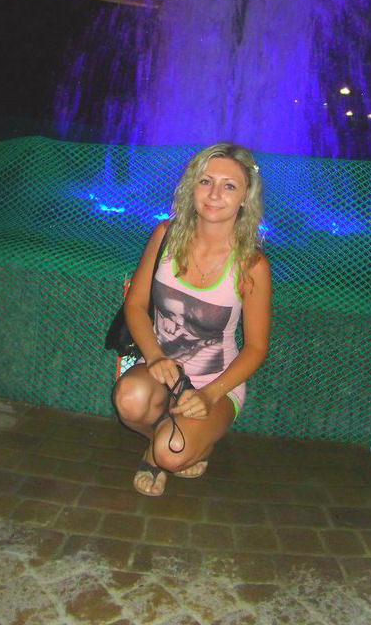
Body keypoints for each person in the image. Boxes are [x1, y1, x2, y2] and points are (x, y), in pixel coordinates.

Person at [112, 143, 272, 496]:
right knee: (129, 399)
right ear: (191, 187)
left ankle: (167, 449)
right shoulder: (165, 236)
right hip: (160, 366)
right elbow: (135, 305)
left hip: (217, 380)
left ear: (245, 198)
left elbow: (257, 348)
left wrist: (210, 396)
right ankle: (167, 437)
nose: (214, 194)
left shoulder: (251, 265)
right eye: (205, 181)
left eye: (229, 186)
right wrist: (155, 356)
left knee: (171, 453)